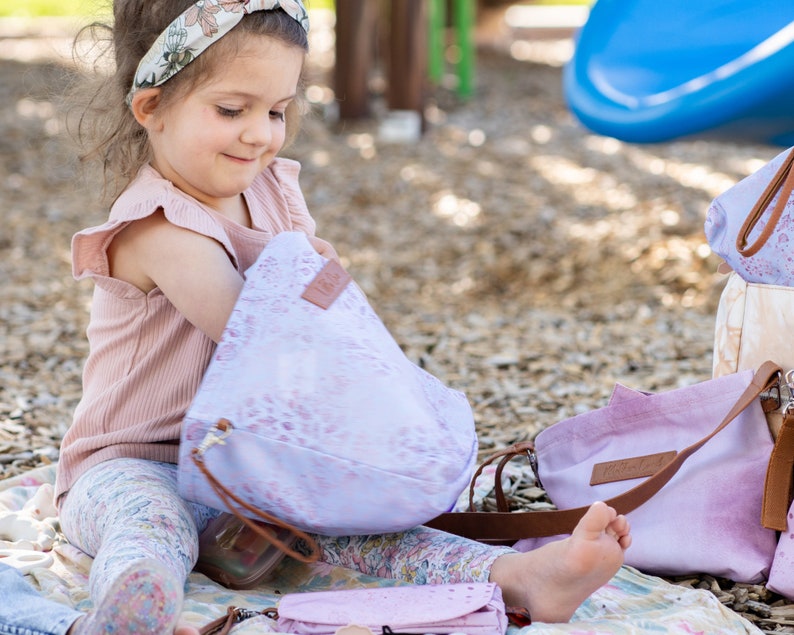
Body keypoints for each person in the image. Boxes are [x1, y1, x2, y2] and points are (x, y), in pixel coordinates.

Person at [22, 1, 631, 633]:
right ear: (151, 109)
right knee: (151, 524)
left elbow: (322, 314)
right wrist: (314, 285)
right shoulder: (156, 226)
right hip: (134, 464)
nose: (259, 133)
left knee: (363, 538)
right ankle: (137, 595)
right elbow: (266, 344)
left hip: (250, 465)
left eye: (277, 111)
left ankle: (518, 579)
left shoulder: (271, 190)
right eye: (231, 110)